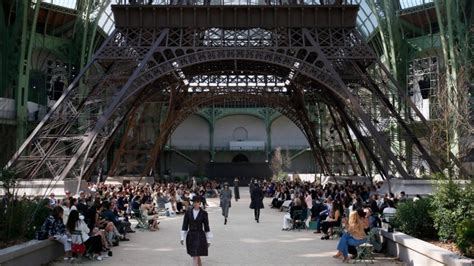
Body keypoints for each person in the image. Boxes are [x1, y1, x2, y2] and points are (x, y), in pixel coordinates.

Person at [180, 196, 213, 266]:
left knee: (195, 255)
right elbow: (184, 225)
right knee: (196, 254)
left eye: (197, 202)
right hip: (191, 236)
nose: (196, 204)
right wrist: (182, 237)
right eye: (194, 202)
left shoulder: (204, 213)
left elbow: (207, 227)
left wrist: (209, 239)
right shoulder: (188, 213)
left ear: (200, 203)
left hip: (200, 236)